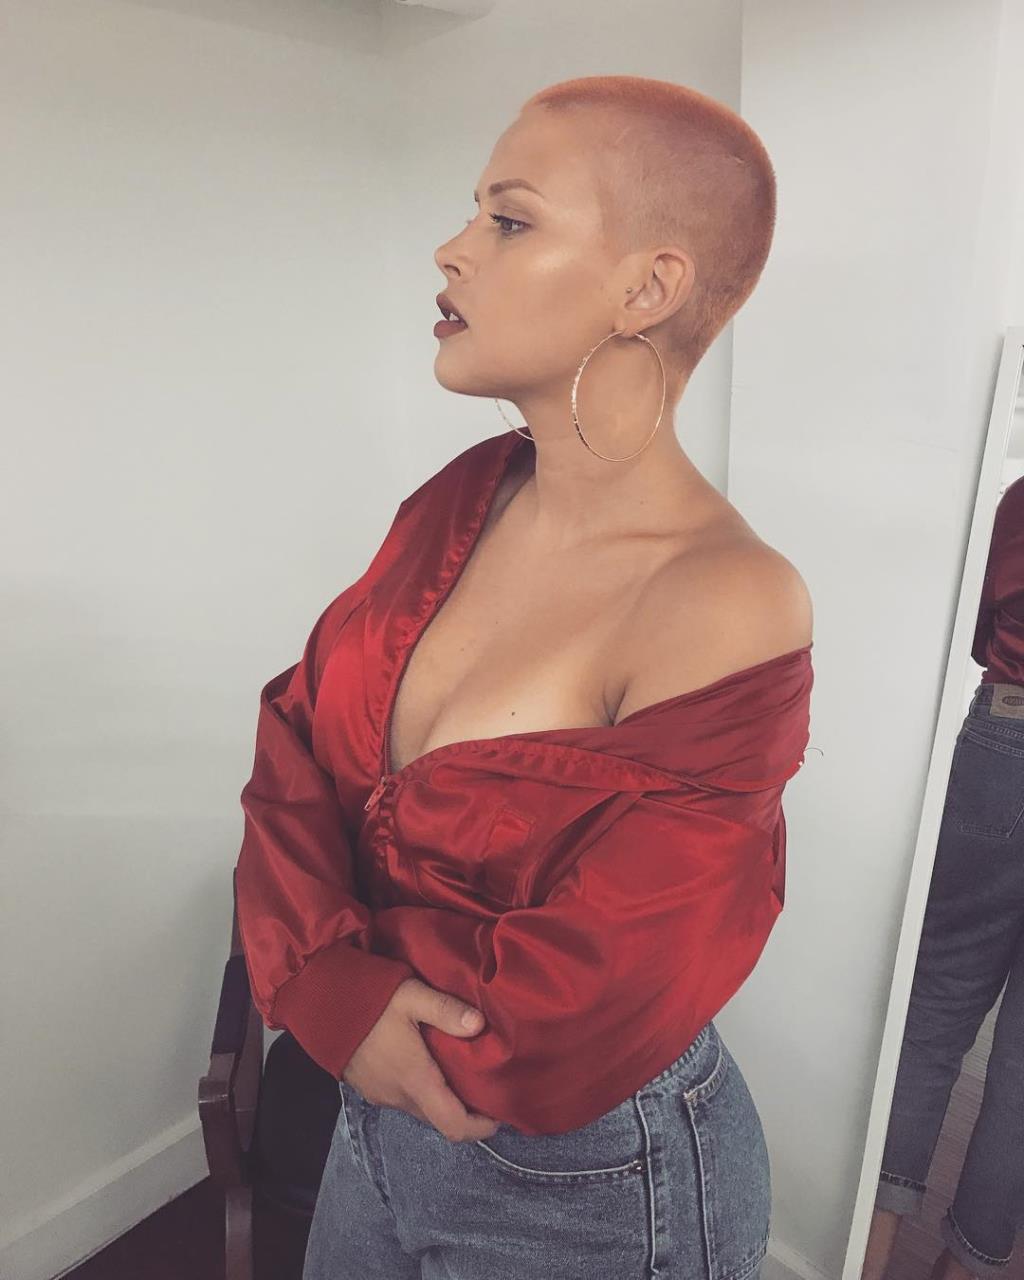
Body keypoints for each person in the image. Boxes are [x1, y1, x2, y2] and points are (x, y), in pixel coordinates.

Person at [235, 74, 815, 1279]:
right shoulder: (461, 498)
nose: (451, 251)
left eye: (507, 219)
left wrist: (344, 983)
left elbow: (612, 974)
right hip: (370, 1113)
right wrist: (331, 987)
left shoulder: (726, 597)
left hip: (589, 1179)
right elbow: (295, 738)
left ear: (646, 288)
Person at [862, 475, 1024, 1280]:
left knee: (933, 1010)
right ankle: (964, 1268)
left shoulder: (1022, 497)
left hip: (1008, 739)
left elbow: (978, 634)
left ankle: (868, 1253)